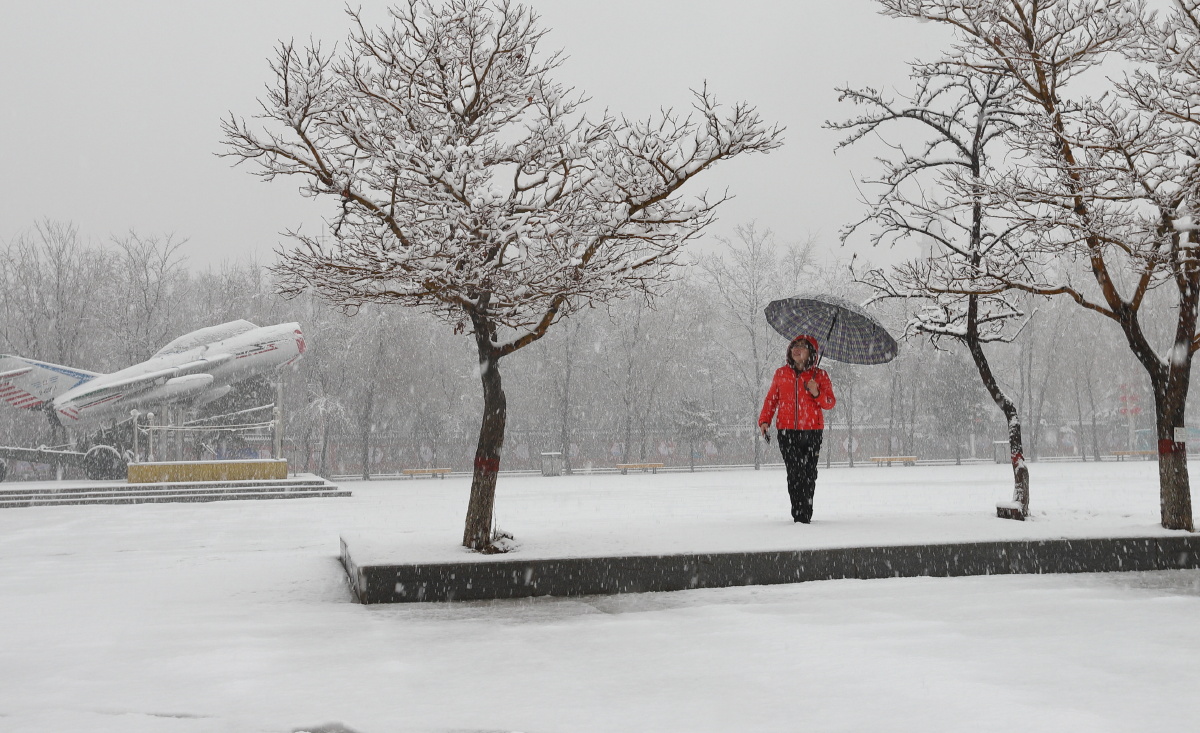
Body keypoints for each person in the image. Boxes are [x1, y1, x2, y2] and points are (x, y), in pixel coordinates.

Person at [758, 335, 836, 523]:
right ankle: (799, 515)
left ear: (811, 352)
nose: (796, 349)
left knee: (809, 473)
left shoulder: (820, 375)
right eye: (794, 345)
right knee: (794, 472)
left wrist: (816, 392)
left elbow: (829, 403)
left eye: (802, 346)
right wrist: (764, 421)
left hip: (812, 432)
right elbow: (771, 399)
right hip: (786, 432)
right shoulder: (781, 373)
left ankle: (805, 512)